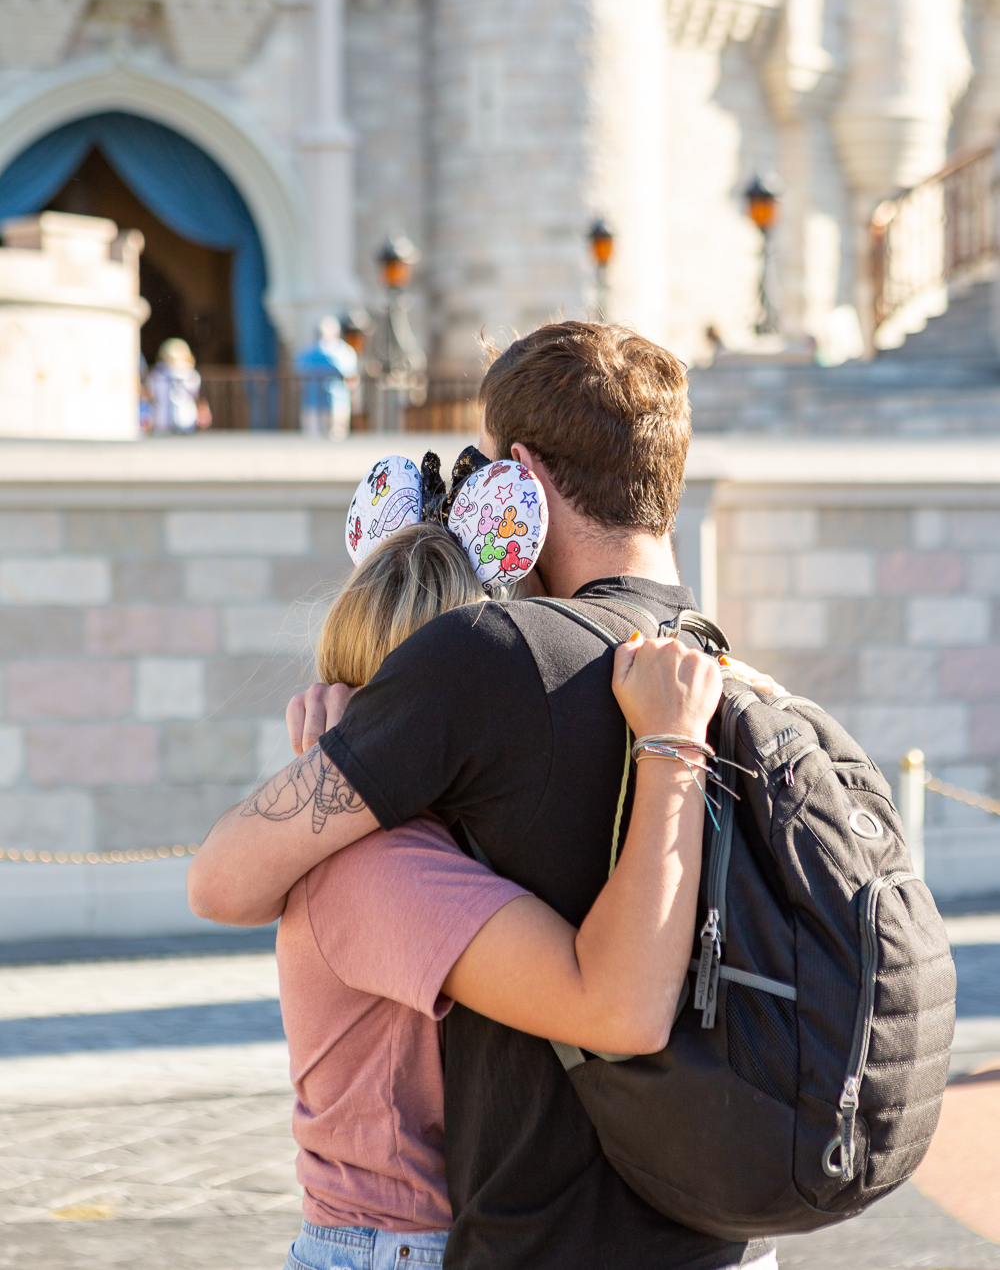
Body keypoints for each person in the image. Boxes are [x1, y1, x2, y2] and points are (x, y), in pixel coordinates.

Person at [189, 320, 779, 1270]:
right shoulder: (718, 669)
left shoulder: (492, 673)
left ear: (524, 480)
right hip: (725, 1213)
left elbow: (219, 880)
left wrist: (336, 774)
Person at [274, 520, 719, 1270]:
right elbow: (614, 1006)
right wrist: (669, 748)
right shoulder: (384, 868)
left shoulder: (398, 840)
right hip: (397, 1245)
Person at [296, 317, 359, 440]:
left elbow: (298, 380)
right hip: (338, 402)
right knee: (336, 439)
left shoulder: (305, 353)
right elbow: (352, 380)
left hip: (312, 403)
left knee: (312, 441)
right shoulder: (344, 352)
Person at [146, 338, 208, 434]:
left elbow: (151, 397)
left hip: (170, 422)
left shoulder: (156, 375)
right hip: (177, 422)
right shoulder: (157, 376)